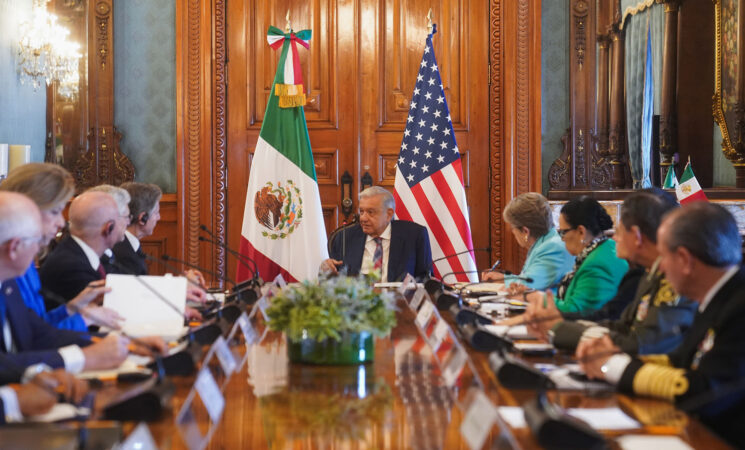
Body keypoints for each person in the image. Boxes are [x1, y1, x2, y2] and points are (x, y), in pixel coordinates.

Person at [578, 202, 745, 447]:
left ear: (685, 260)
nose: (661, 268)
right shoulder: (718, 294)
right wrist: (609, 355)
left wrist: (612, 367)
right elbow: (681, 359)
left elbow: (707, 389)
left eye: (664, 257)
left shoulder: (738, 305)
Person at [0, 192, 163, 373]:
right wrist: (85, 357)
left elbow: (38, 333)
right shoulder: (17, 282)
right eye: (38, 241)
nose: (40, 252)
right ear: (14, 248)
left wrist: (127, 343)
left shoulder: (8, 287)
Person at [526, 189, 697, 354]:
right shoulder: (648, 273)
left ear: (637, 236)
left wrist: (559, 327)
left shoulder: (673, 279)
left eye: (619, 231)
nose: (614, 238)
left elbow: (642, 343)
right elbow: (622, 325)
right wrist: (561, 327)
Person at [0, 163, 119, 331]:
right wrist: (82, 320)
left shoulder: (26, 263)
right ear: (28, 209)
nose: (62, 223)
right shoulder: (11, 265)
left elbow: (37, 327)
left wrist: (72, 308)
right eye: (55, 211)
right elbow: (27, 343)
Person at [523, 196, 628, 315]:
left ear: (581, 232)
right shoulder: (604, 249)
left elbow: (576, 311)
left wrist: (537, 297)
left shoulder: (597, 264)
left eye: (563, 232)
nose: (561, 239)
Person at [321, 186, 432, 281]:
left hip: (398, 303)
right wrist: (326, 270)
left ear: (389, 214)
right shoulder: (344, 237)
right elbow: (332, 281)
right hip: (356, 303)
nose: (363, 218)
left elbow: (425, 278)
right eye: (361, 211)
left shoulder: (414, 236)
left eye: (370, 212)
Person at [39, 191, 126, 303]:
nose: (126, 224)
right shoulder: (73, 267)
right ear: (109, 228)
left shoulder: (76, 253)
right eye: (120, 219)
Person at [481, 192, 574, 292]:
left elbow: (526, 287)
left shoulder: (553, 248)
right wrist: (504, 279)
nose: (513, 232)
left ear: (525, 232)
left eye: (513, 228)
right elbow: (531, 278)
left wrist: (506, 284)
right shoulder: (546, 243)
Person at [113, 182, 162, 275]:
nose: (159, 217)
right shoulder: (124, 253)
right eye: (156, 213)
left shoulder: (128, 244)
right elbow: (138, 288)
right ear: (143, 218)